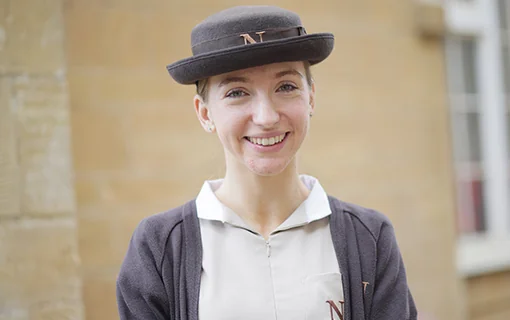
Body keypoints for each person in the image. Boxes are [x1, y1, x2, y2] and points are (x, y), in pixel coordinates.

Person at [116, 5, 417, 320]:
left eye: (286, 87)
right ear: (205, 113)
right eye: (237, 92)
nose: (266, 117)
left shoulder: (369, 238)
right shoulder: (158, 248)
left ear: (311, 97)